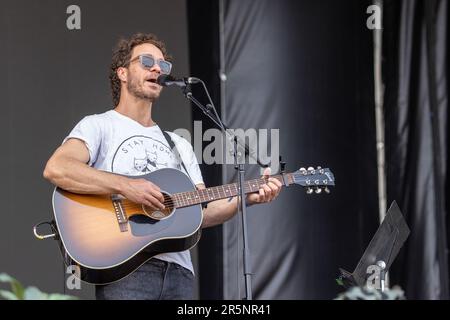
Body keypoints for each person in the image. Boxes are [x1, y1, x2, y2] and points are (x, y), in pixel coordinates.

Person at [43, 33, 282, 300]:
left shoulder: (179, 143)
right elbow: (58, 167)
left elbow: (200, 211)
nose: (158, 69)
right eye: (146, 61)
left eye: (163, 65)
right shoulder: (99, 125)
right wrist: (128, 186)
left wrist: (242, 200)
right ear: (122, 73)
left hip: (179, 274)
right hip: (127, 270)